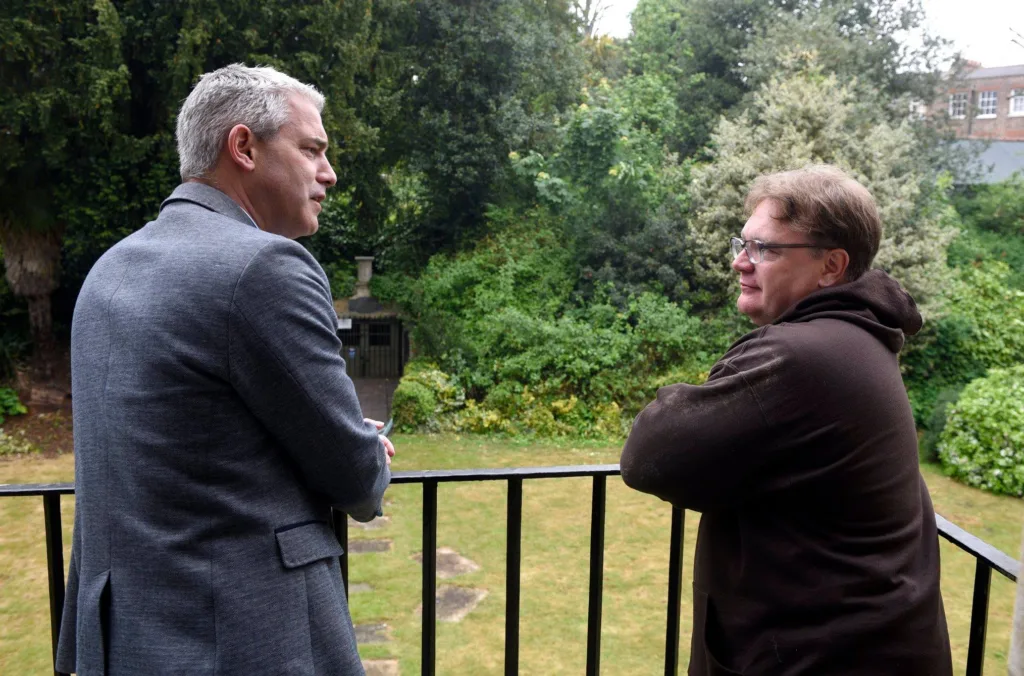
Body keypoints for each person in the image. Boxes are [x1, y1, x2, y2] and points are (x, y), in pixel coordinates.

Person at [56, 64, 393, 675]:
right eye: (311, 149)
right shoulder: (264, 269)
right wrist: (367, 449)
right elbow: (355, 474)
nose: (329, 173)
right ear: (243, 147)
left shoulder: (110, 269)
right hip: (244, 641)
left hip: (126, 643)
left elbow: (186, 441)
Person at [620, 165, 952, 675]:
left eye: (766, 249)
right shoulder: (858, 340)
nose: (739, 263)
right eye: (742, 243)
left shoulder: (801, 357)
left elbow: (649, 454)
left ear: (831, 266)